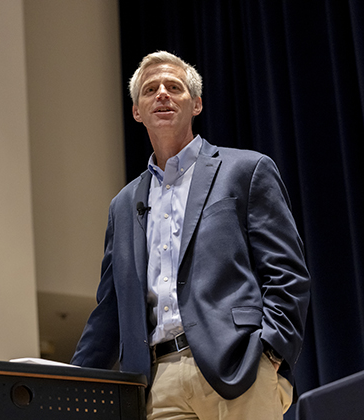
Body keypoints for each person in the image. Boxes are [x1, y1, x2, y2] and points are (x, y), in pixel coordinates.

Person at [71, 51, 311, 420]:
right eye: (150, 89)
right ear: (137, 111)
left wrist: (270, 352)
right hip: (158, 383)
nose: (162, 94)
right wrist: (70, 385)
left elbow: (287, 273)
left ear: (196, 103)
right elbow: (110, 309)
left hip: (238, 367)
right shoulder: (122, 205)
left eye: (174, 87)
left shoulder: (246, 170)